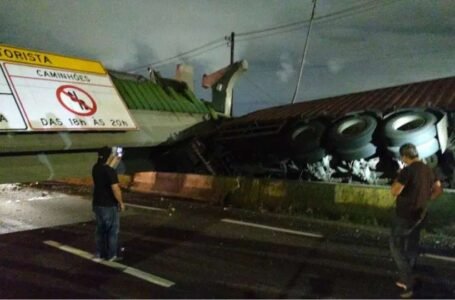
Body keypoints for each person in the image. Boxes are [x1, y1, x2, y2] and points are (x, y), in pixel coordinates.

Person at [390, 143, 443, 298]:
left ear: (405, 156)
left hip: (405, 215)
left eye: (402, 157)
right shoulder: (428, 170)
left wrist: (398, 176)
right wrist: (426, 198)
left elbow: (394, 191)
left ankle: (408, 281)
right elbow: (438, 190)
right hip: (420, 215)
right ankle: (406, 276)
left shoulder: (407, 171)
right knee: (411, 245)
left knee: (395, 246)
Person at [92, 146, 125, 262]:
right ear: (109, 156)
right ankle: (111, 254)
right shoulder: (110, 171)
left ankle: (99, 253)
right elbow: (115, 189)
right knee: (112, 231)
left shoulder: (95, 168)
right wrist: (121, 202)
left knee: (100, 230)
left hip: (97, 204)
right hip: (109, 205)